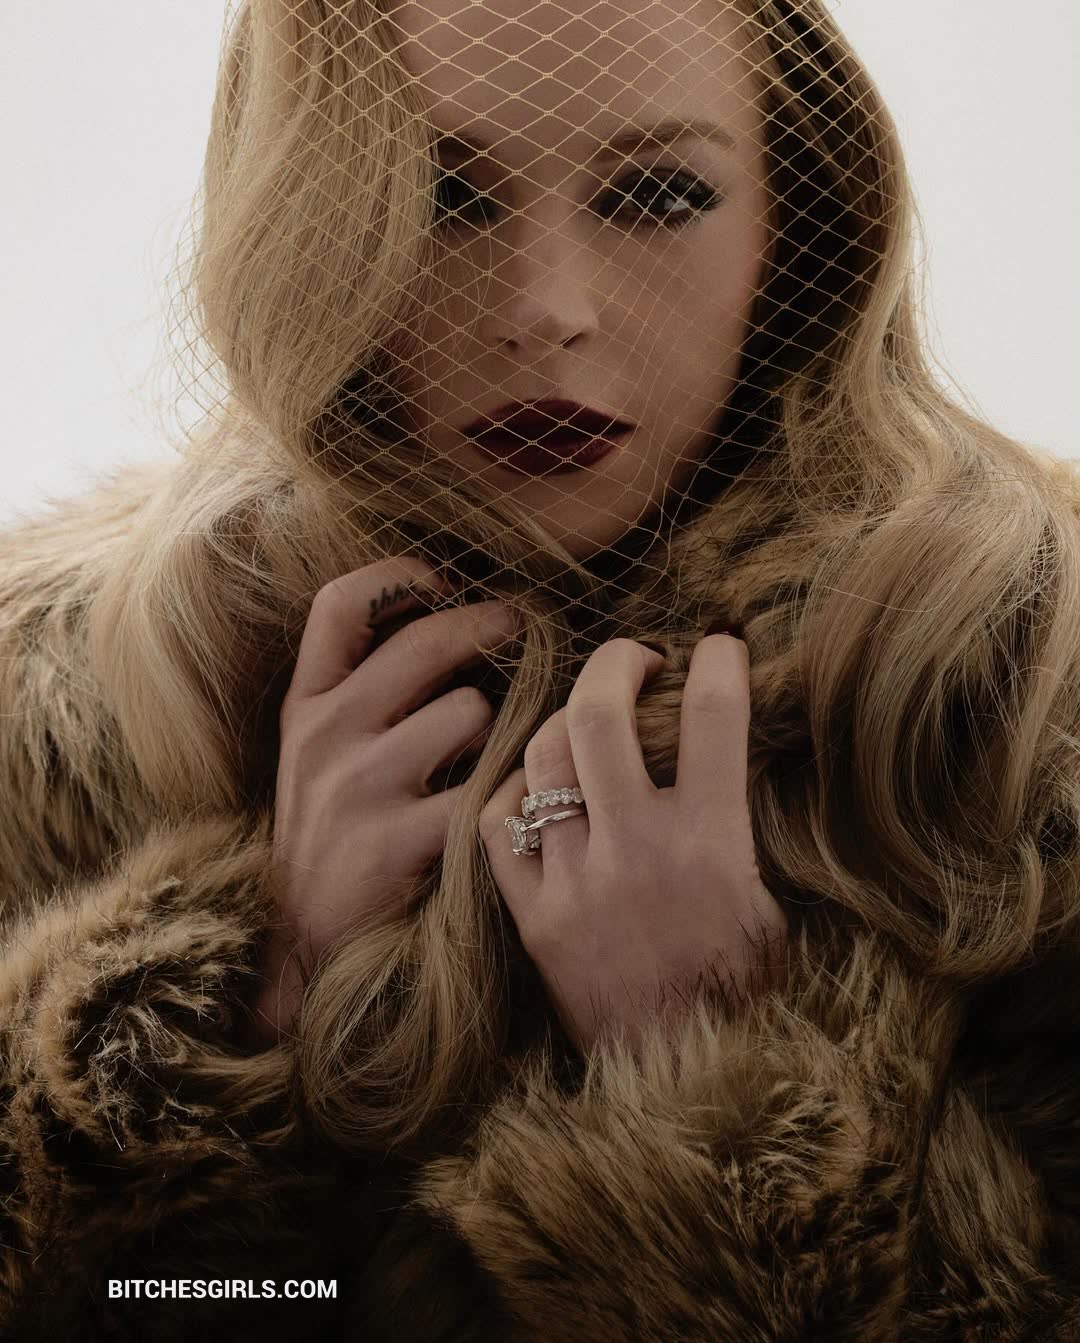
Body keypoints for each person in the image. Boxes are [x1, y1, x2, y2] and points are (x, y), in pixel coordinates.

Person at [3, 0, 1080, 1336]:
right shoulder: (62, 708)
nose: (545, 312)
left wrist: (711, 1103)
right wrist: (257, 1010)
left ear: (800, 225)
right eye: (442, 198)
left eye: (659, 195)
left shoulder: (1034, 695)